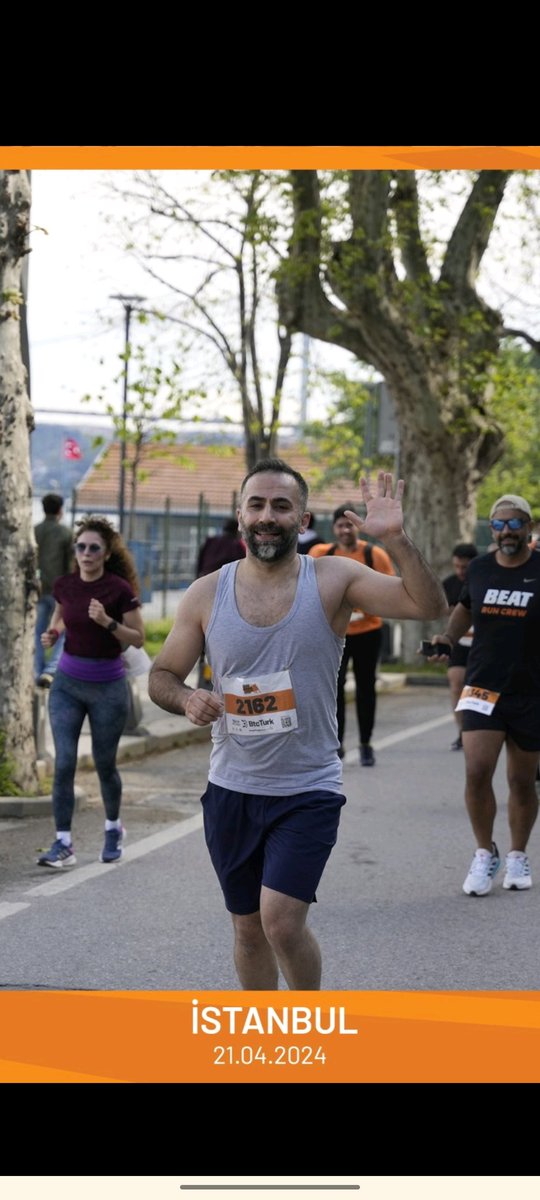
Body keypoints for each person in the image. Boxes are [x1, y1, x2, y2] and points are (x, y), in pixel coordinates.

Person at [148, 458, 447, 990]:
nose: (268, 516)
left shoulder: (334, 578)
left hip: (307, 787)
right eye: (257, 505)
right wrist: (188, 698)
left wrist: (397, 539)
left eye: (281, 506)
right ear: (239, 515)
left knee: (282, 924)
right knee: (247, 930)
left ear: (303, 519)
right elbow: (163, 674)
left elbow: (428, 605)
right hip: (231, 789)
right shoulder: (205, 594)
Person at [428, 494, 540, 897]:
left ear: (528, 527)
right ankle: (483, 852)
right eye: (499, 525)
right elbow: (465, 608)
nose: (507, 532)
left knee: (522, 780)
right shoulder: (479, 568)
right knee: (477, 771)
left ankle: (517, 854)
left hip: (531, 691)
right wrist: (447, 637)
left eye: (515, 524)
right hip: (482, 686)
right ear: (490, 529)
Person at [36, 515, 145, 869]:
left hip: (108, 688)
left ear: (106, 552)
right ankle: (63, 842)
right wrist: (52, 634)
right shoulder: (65, 585)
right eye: (80, 546)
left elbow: (138, 638)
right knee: (64, 762)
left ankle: (113, 828)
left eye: (93, 548)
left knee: (104, 764)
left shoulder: (119, 590)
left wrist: (108, 623)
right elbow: (62, 615)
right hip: (67, 685)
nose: (85, 553)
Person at [309, 504, 395, 766]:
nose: (346, 530)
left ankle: (366, 743)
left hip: (368, 631)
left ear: (358, 527)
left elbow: (389, 589)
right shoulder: (322, 554)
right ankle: (337, 744)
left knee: (366, 687)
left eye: (350, 525)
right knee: (334, 689)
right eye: (340, 525)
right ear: (333, 529)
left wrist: (365, 605)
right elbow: (310, 589)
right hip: (336, 632)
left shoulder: (374, 554)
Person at [196, 518, 246, 688]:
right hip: (227, 599)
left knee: (204, 641)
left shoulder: (209, 542)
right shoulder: (237, 546)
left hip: (205, 595)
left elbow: (199, 565)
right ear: (237, 530)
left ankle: (205, 680)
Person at [33, 493, 74, 687]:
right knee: (61, 631)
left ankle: (37, 670)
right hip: (60, 593)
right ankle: (50, 671)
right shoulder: (66, 533)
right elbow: (70, 566)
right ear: (60, 510)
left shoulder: (34, 531)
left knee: (38, 632)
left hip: (38, 590)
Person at [441, 543, 478, 751]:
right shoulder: (450, 584)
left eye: (464, 567)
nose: (460, 572)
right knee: (456, 683)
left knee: (476, 690)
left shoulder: (484, 578)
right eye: (457, 567)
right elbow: (439, 608)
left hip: (483, 644)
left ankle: (480, 731)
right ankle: (462, 732)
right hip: (460, 643)